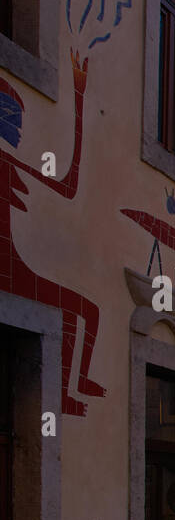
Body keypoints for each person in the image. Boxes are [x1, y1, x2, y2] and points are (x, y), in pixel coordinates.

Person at [0, 51, 101, 416]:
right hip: (10, 268)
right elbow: (69, 184)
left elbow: (69, 183)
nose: (20, 128)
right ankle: (67, 390)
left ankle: (71, 389)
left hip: (15, 265)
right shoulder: (8, 163)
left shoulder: (11, 163)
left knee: (86, 309)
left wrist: (78, 98)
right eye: (14, 117)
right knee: (82, 310)